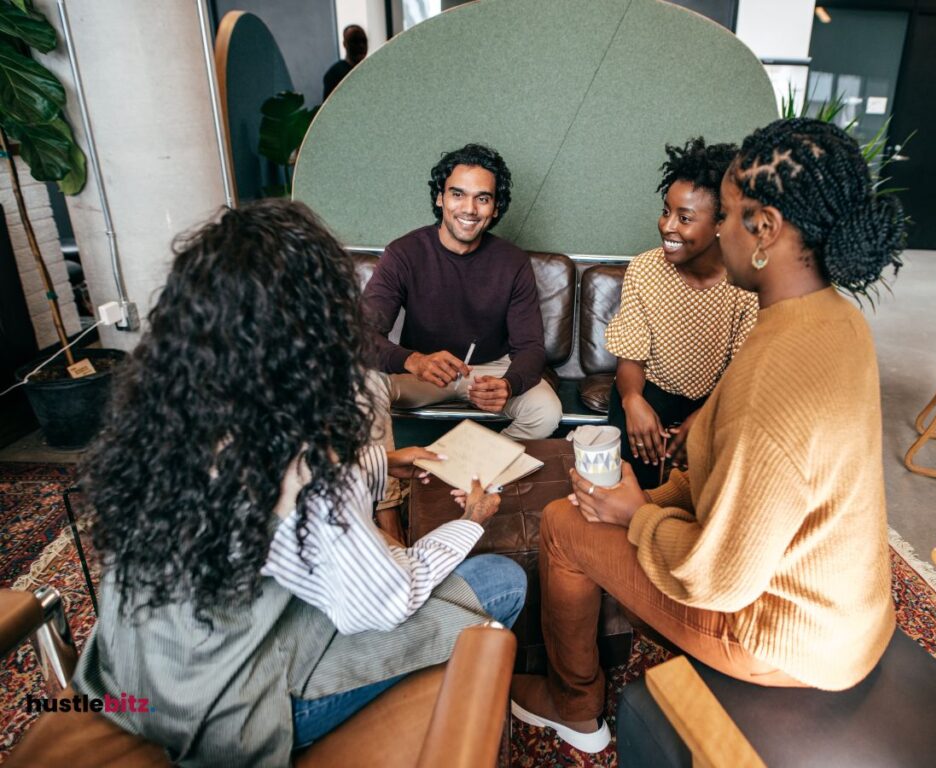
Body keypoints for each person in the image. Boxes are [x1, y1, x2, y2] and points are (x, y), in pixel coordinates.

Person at [72, 199, 526, 766]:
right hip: (223, 712)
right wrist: (468, 523)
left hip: (130, 682)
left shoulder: (162, 409)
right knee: (502, 580)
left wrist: (380, 464)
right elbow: (384, 602)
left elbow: (258, 515)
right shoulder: (300, 457)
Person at [508, 118, 905, 753]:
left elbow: (717, 579)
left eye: (729, 216)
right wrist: (644, 503)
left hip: (784, 643)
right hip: (848, 618)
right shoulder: (836, 321)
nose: (717, 229)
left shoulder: (771, 371)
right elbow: (732, 480)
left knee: (561, 525)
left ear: (766, 230)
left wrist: (636, 517)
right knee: (602, 511)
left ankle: (574, 705)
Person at [362, 143, 562, 440]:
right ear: (440, 198)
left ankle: (473, 471)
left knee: (546, 411)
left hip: (489, 372)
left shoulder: (513, 261)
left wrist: (508, 384)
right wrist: (414, 360)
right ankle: (389, 484)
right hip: (424, 370)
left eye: (482, 198)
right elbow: (360, 335)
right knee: (363, 387)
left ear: (495, 208)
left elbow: (530, 347)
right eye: (458, 194)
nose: (469, 209)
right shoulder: (404, 253)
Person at [605, 139, 758, 488]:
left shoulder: (747, 282)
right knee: (628, 486)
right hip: (646, 391)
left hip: (718, 399)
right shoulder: (644, 269)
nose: (667, 226)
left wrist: (705, 419)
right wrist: (631, 400)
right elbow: (630, 355)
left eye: (684, 218)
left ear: (721, 222)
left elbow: (743, 374)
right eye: (666, 211)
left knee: (705, 491)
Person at [322, 24, 368, 102]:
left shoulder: (371, 70)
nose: (361, 45)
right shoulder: (334, 74)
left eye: (363, 41)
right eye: (355, 41)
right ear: (345, 44)